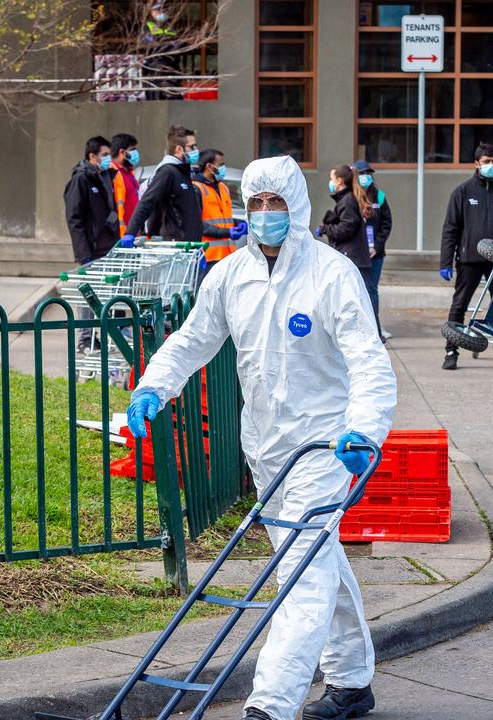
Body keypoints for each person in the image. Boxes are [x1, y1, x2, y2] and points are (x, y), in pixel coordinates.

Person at [125, 156, 396, 720]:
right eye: (257, 203)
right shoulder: (231, 276)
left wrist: (363, 430)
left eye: (277, 202)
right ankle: (350, 683)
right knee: (315, 563)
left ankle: (270, 705)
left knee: (302, 576)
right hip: (267, 449)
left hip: (327, 447)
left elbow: (370, 363)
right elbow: (193, 339)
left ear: (296, 206)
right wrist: (155, 386)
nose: (267, 213)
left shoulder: (331, 274)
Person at [439, 141, 493, 372]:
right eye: (486, 162)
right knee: (459, 305)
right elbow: (450, 229)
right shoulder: (463, 192)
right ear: (476, 164)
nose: (491, 165)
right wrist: (445, 262)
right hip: (469, 260)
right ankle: (451, 351)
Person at [63, 136, 120, 352]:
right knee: (88, 294)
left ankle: (100, 335)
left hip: (107, 247)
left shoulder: (105, 177)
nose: (108, 159)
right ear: (92, 156)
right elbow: (74, 218)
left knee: (104, 294)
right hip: (90, 249)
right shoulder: (81, 179)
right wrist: (83, 252)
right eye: (104, 155)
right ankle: (85, 339)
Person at [122, 125, 203, 245]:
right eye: (192, 147)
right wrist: (131, 232)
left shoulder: (183, 172)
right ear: (179, 149)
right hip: (175, 245)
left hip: (189, 246)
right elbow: (147, 202)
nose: (196, 150)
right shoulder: (168, 172)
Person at [318, 164, 375, 293]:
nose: (331, 183)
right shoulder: (346, 199)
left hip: (353, 258)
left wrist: (325, 229)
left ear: (339, 181)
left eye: (332, 179)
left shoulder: (347, 200)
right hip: (353, 257)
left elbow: (346, 229)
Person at [353, 159, 393, 342]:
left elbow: (386, 224)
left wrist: (377, 246)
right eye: (362, 173)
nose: (366, 177)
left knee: (371, 289)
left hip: (375, 254)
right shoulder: (351, 196)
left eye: (368, 173)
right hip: (357, 253)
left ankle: (375, 327)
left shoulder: (380, 196)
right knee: (355, 289)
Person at [193, 147, 249, 270]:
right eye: (221, 164)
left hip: (228, 256)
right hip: (208, 257)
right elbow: (197, 225)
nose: (224, 168)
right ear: (209, 166)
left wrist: (239, 223)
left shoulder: (223, 187)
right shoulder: (196, 189)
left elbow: (224, 218)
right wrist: (228, 232)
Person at [111, 132, 142, 236]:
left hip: (133, 234)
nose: (136, 153)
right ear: (122, 152)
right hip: (121, 235)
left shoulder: (129, 173)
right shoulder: (111, 174)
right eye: (132, 149)